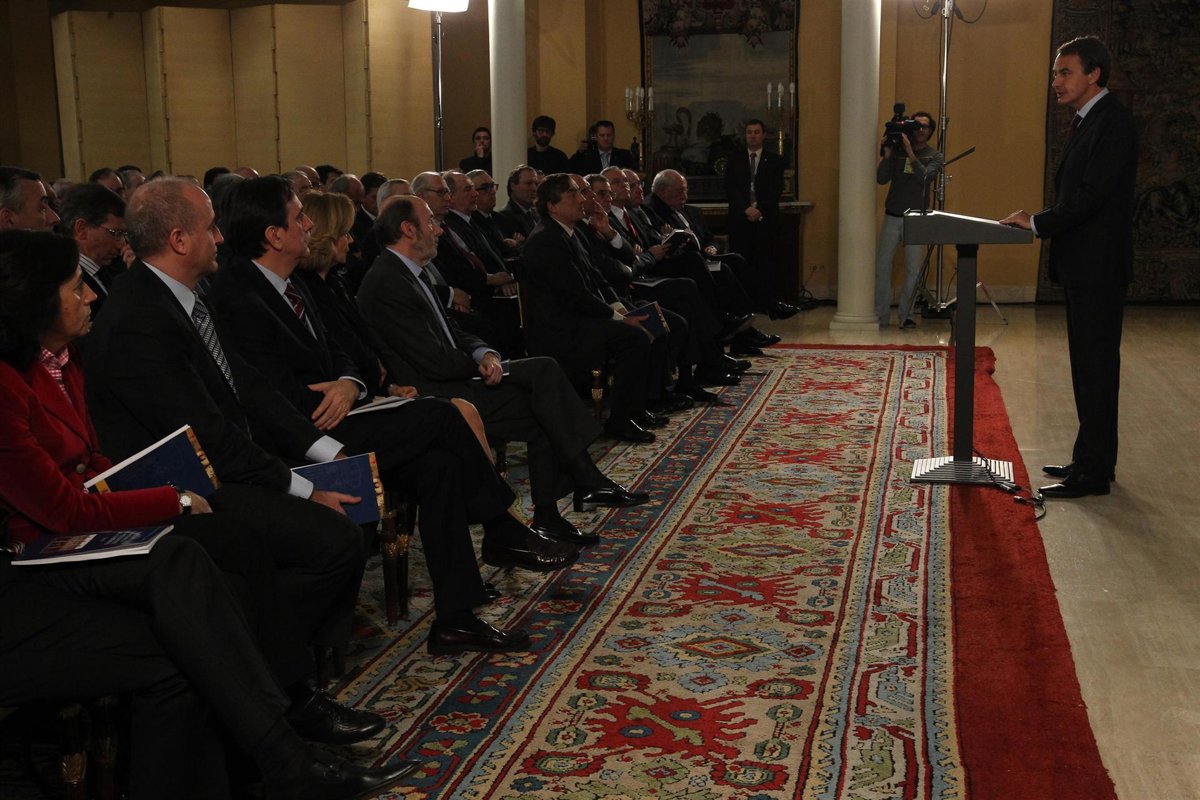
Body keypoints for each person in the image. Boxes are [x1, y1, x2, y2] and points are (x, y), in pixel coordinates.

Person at [0, 228, 418, 798]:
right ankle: (284, 752)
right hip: (37, 556)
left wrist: (150, 492)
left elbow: (92, 460)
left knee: (212, 594)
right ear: (35, 302)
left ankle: (277, 730)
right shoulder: (12, 381)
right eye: (76, 288)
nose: (91, 294)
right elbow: (58, 509)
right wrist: (169, 499)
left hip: (85, 529)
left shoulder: (60, 360)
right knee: (184, 563)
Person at [357, 194, 651, 548]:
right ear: (408, 229)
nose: (439, 230)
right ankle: (583, 480)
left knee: (544, 386)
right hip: (432, 393)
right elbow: (434, 360)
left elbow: (453, 330)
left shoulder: (408, 273)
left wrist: (484, 352)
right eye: (431, 222)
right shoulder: (387, 281)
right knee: (542, 394)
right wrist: (481, 364)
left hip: (453, 375)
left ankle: (556, 510)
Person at [1000, 36, 1137, 499]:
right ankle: (1090, 460)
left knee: (1096, 368)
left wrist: (1038, 222)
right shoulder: (1090, 119)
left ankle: (1093, 474)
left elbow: (1092, 196)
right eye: (1055, 73)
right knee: (1088, 368)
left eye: (1065, 72)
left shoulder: (1113, 121)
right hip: (1085, 266)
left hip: (1099, 267)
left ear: (1093, 74)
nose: (1055, 81)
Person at [724, 119, 800, 320]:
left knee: (766, 263)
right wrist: (746, 208)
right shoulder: (734, 159)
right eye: (749, 132)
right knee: (741, 262)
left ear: (764, 135)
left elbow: (776, 190)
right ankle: (743, 304)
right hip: (740, 219)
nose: (753, 135)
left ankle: (769, 304)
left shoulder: (775, 160)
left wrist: (759, 208)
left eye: (756, 132)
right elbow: (731, 188)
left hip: (765, 219)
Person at [874, 109, 942, 329]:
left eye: (925, 127)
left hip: (917, 218)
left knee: (913, 269)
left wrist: (911, 152)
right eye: (916, 125)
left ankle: (907, 315)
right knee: (882, 266)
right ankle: (881, 314)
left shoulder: (934, 155)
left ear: (931, 131)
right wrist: (887, 155)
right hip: (893, 215)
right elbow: (881, 178)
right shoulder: (897, 151)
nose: (920, 130)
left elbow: (926, 177)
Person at [569, 119, 636, 174]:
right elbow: (571, 169)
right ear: (596, 137)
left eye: (609, 135)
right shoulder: (587, 157)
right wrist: (580, 152)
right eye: (602, 135)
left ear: (613, 136)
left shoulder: (624, 155)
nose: (606, 138)